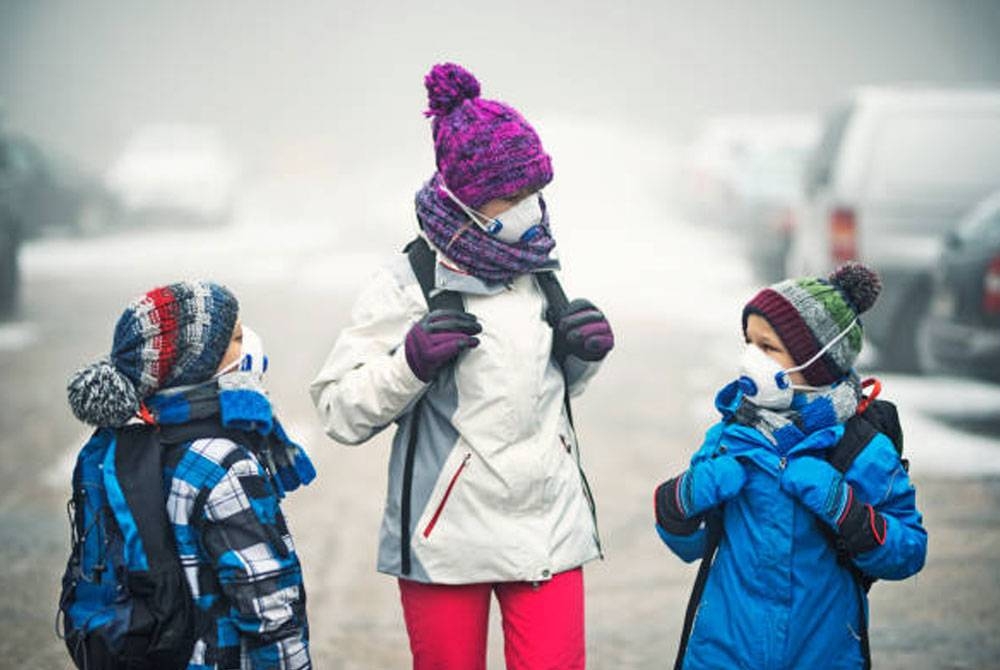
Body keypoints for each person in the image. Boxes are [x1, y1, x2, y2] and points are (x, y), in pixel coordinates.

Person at [310, 62, 614, 670]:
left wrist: (580, 357)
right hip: (443, 540)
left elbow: (546, 393)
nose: (529, 209)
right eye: (512, 196)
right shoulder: (408, 282)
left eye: (535, 192)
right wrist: (410, 365)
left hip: (547, 533)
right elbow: (338, 410)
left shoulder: (540, 269)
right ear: (468, 199)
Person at [653, 262, 927, 669]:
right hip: (722, 653)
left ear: (816, 361)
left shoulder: (861, 448)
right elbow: (690, 544)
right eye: (749, 342)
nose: (751, 358)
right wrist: (682, 500)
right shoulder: (731, 435)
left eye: (768, 348)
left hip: (821, 654)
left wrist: (848, 512)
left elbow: (909, 550)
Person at [67, 281, 313, 670]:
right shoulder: (222, 463)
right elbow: (267, 605)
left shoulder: (121, 443)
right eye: (234, 337)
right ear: (196, 366)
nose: (248, 342)